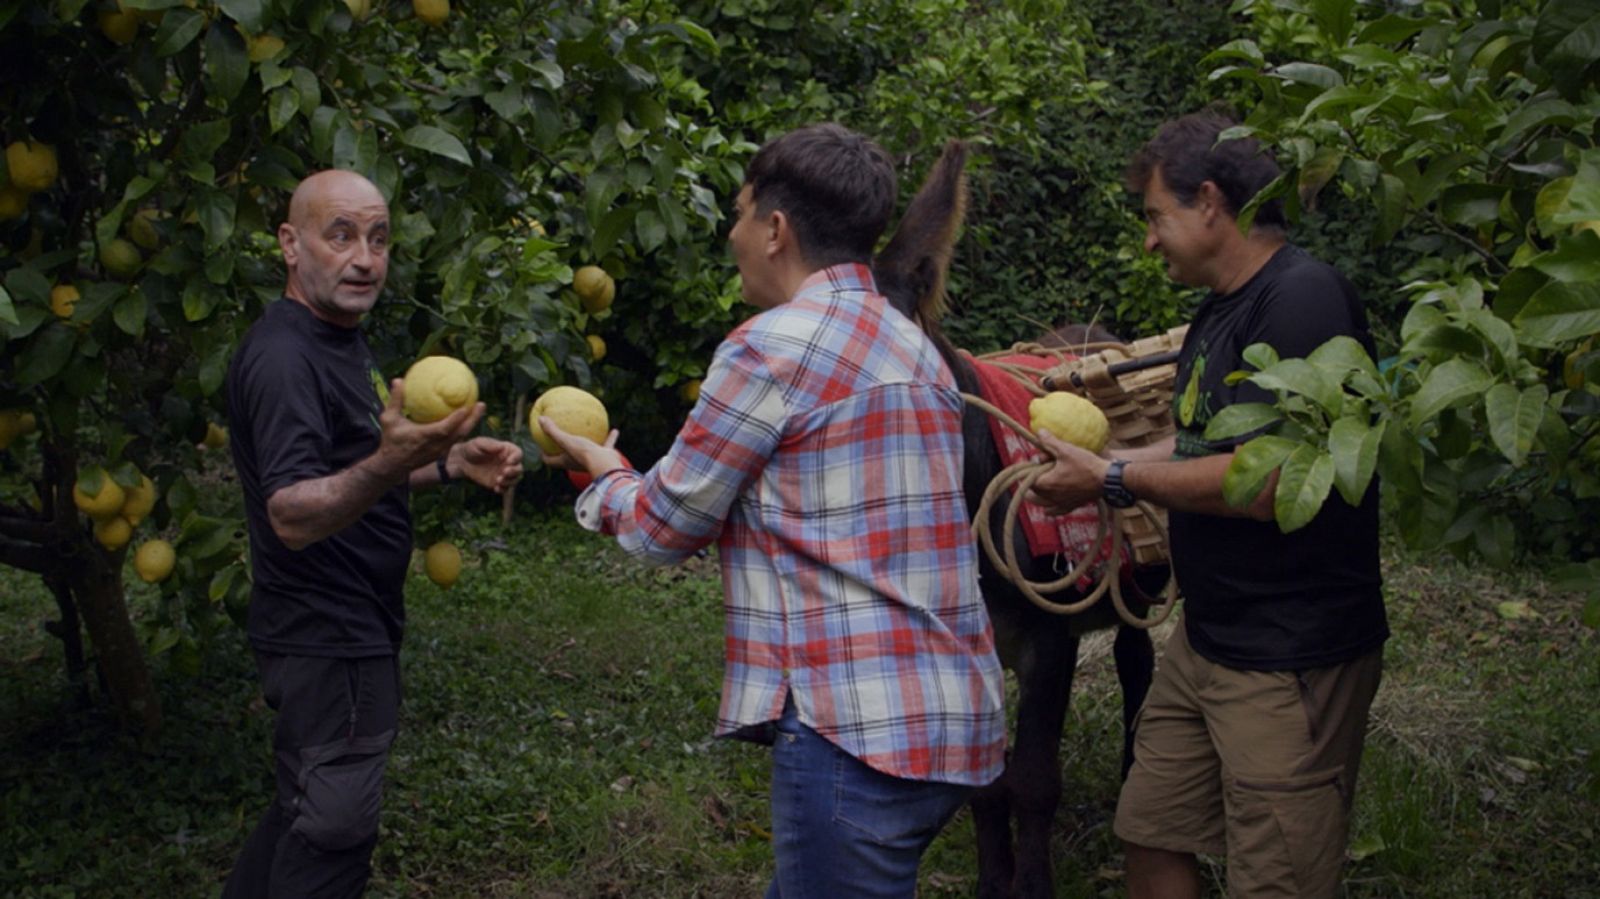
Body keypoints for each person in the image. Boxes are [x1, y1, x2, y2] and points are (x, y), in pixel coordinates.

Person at [539, 123, 1006, 897]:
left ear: (776, 229)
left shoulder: (773, 347)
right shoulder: (914, 344)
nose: (732, 233)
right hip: (948, 720)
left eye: (740, 212)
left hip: (855, 736)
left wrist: (604, 473)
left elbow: (663, 526)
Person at [1027, 110, 1388, 899]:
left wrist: (1112, 481)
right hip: (1211, 638)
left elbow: (1262, 482)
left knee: (1279, 877)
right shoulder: (1221, 309)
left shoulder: (1304, 301)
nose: (1150, 239)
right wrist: (1110, 460)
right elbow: (1200, 450)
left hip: (1290, 652)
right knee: (1151, 831)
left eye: (1157, 216)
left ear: (1212, 203)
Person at [221, 170, 524, 898]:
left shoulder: (335, 341)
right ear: (291, 245)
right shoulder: (287, 358)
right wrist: (393, 457)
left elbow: (346, 473)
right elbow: (292, 512)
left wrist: (443, 461)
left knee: (306, 803)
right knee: (333, 833)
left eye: (379, 238)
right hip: (331, 635)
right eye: (342, 235)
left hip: (334, 631)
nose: (365, 258)